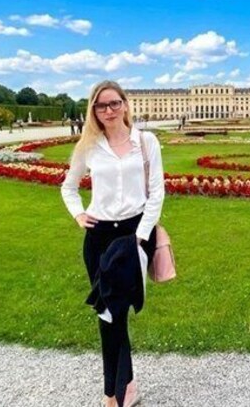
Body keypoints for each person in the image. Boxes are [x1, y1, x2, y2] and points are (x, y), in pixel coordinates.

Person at [61, 80, 165, 407]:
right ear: (94, 110)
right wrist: (79, 214)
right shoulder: (88, 147)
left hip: (133, 235)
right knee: (109, 314)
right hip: (99, 236)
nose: (109, 110)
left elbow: (157, 191)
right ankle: (124, 387)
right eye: (101, 105)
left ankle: (113, 394)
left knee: (112, 313)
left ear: (124, 104)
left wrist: (141, 235)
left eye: (114, 103)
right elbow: (68, 187)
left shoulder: (145, 142)